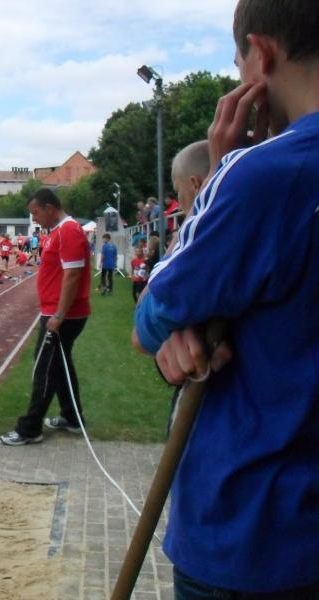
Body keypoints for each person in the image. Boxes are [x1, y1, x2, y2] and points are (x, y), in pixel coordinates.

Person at [133, 1, 319, 596]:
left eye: (239, 63)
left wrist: (223, 172)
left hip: (257, 530)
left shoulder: (264, 174)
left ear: (261, 54)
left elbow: (152, 316)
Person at [1, 188, 90, 446]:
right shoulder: (58, 231)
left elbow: (73, 275)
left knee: (45, 369)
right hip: (59, 311)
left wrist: (59, 315)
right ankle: (72, 417)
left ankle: (30, 428)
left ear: (49, 208)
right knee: (59, 366)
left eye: (35, 212)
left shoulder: (69, 231)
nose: (34, 218)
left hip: (63, 315)